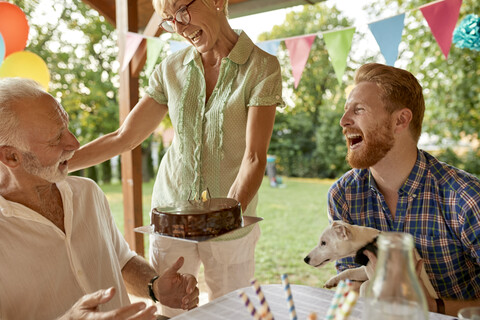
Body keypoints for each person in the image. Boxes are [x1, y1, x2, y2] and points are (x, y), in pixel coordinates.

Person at [68, 0, 284, 316]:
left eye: (181, 12)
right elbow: (124, 137)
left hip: (230, 221)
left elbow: (254, 157)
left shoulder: (262, 66)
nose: (179, 28)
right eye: (169, 21)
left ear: (217, 1)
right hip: (171, 214)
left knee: (232, 310)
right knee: (172, 307)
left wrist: (222, 221)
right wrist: (59, 164)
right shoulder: (171, 67)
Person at [0, 77, 199, 320]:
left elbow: (121, 260)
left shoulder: (87, 193)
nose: (74, 143)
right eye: (56, 139)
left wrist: (155, 286)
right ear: (11, 157)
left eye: (67, 127)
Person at [327, 63, 480, 316]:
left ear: (400, 120)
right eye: (346, 111)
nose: (344, 121)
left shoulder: (466, 198)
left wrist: (433, 308)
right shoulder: (343, 196)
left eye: (359, 110)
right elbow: (350, 287)